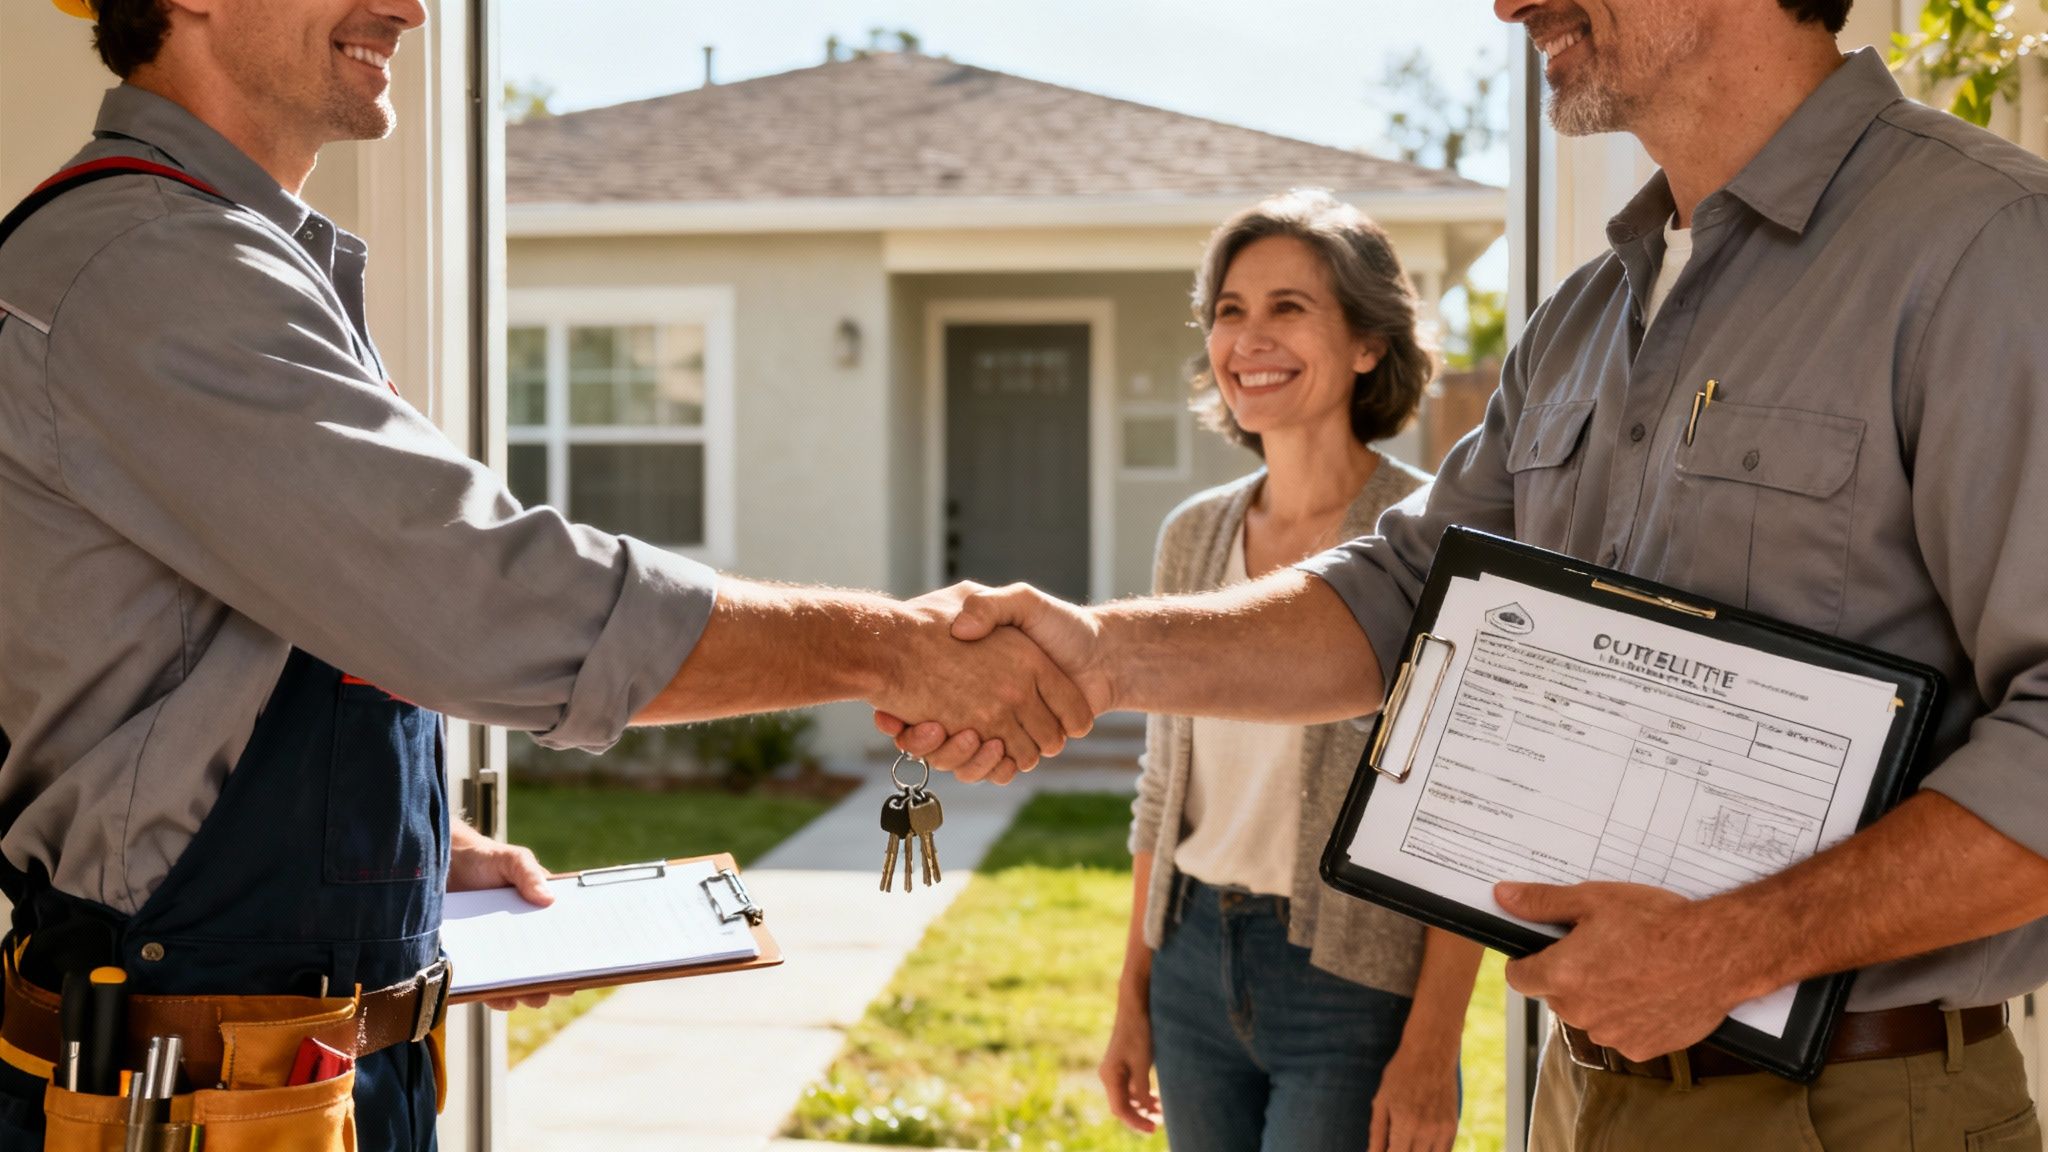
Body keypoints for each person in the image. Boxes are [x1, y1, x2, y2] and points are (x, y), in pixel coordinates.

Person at [885, 0, 2048, 1146]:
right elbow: (1402, 598)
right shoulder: (1585, 318)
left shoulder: (1979, 245)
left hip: (1851, 1108)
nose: (1503, 3)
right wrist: (1103, 655)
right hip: (1585, 1087)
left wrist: (1736, 945)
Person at [0, 2, 1087, 1149]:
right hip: (186, 1094)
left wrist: (410, 856)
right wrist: (892, 649)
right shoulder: (157, 264)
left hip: (280, 1069)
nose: (407, 7)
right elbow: (482, 602)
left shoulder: (223, 253)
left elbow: (231, 664)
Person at [1100, 190, 1481, 1152]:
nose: (1249, 337)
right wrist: (1134, 993)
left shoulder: (1430, 541)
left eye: (1289, 308)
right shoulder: (1193, 537)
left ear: (1367, 343)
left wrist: (1432, 1046)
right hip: (1189, 956)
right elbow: (1162, 786)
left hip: (1351, 984)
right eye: (1230, 309)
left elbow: (1465, 820)